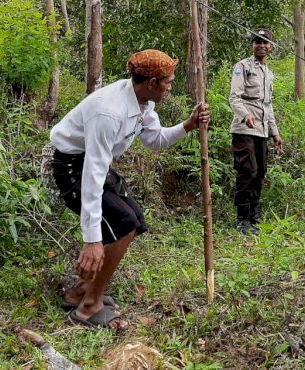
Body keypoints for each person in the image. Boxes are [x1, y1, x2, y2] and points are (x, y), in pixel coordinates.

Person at [49, 50, 210, 330]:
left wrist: (189, 125)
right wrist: (92, 240)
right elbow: (93, 174)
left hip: (90, 164)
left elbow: (155, 140)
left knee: (133, 220)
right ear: (150, 82)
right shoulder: (108, 112)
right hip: (74, 168)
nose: (170, 87)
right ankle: (88, 308)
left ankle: (78, 294)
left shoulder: (143, 103)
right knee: (122, 225)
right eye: (168, 82)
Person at [229, 29, 284, 236]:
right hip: (244, 128)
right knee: (248, 171)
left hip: (262, 131)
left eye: (265, 42)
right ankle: (243, 219)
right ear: (252, 45)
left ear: (270, 47)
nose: (261, 45)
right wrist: (245, 115)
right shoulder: (242, 67)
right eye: (257, 41)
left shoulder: (269, 74)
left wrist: (275, 133)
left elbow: (267, 106)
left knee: (260, 172)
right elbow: (234, 98)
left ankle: (254, 214)